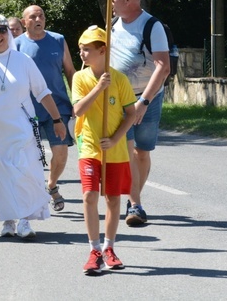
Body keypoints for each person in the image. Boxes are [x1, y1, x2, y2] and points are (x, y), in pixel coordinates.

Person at [0, 14, 66, 239]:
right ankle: (8, 220)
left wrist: (57, 120)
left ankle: (26, 222)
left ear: (8, 33)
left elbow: (42, 92)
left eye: (1, 30)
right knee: (0, 178)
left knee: (25, 174)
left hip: (21, 129)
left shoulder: (23, 61)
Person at [72, 25, 136, 275]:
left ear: (103, 51)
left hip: (115, 150)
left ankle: (109, 248)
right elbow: (78, 111)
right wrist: (99, 87)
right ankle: (94, 250)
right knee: (89, 196)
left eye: (87, 50)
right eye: (80, 50)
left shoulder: (119, 79)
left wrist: (116, 138)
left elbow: (131, 114)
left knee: (112, 199)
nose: (82, 54)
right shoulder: (80, 78)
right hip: (89, 146)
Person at [110, 0, 170, 226]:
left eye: (113, 0)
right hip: (119, 100)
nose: (110, 5)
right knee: (125, 151)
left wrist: (144, 101)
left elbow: (163, 67)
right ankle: (134, 204)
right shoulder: (112, 24)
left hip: (148, 97)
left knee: (141, 152)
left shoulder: (152, 26)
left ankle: (133, 200)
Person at [15, 5, 76, 212]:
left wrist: (77, 99)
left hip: (58, 105)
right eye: (33, 16)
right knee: (29, 155)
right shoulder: (16, 45)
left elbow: (70, 71)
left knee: (60, 152)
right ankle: (33, 193)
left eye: (41, 15)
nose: (38, 19)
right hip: (28, 108)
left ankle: (51, 184)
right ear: (24, 22)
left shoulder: (58, 40)